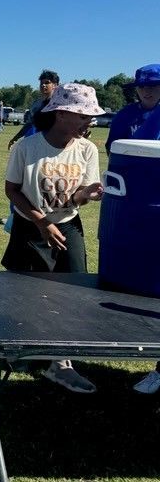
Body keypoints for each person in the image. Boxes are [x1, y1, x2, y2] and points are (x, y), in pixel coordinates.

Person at [2, 82, 104, 393]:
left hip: (68, 226)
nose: (90, 121)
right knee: (28, 292)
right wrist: (41, 222)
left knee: (72, 293)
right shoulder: (27, 148)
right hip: (30, 227)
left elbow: (77, 197)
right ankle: (21, 347)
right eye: (83, 115)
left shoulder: (87, 149)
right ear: (61, 114)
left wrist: (86, 194)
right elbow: (12, 190)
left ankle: (60, 362)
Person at [104, 64, 160, 395]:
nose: (148, 90)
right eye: (143, 86)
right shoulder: (126, 116)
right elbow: (115, 152)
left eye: (154, 85)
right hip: (134, 203)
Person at [106, 64, 160, 154]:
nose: (146, 91)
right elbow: (113, 149)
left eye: (151, 85)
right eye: (141, 86)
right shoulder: (124, 116)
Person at [9, 70, 60, 149]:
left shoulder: (60, 105)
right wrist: (16, 137)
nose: (43, 85)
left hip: (55, 144)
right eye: (41, 83)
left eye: (47, 82)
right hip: (37, 144)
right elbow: (29, 124)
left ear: (55, 85)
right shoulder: (36, 104)